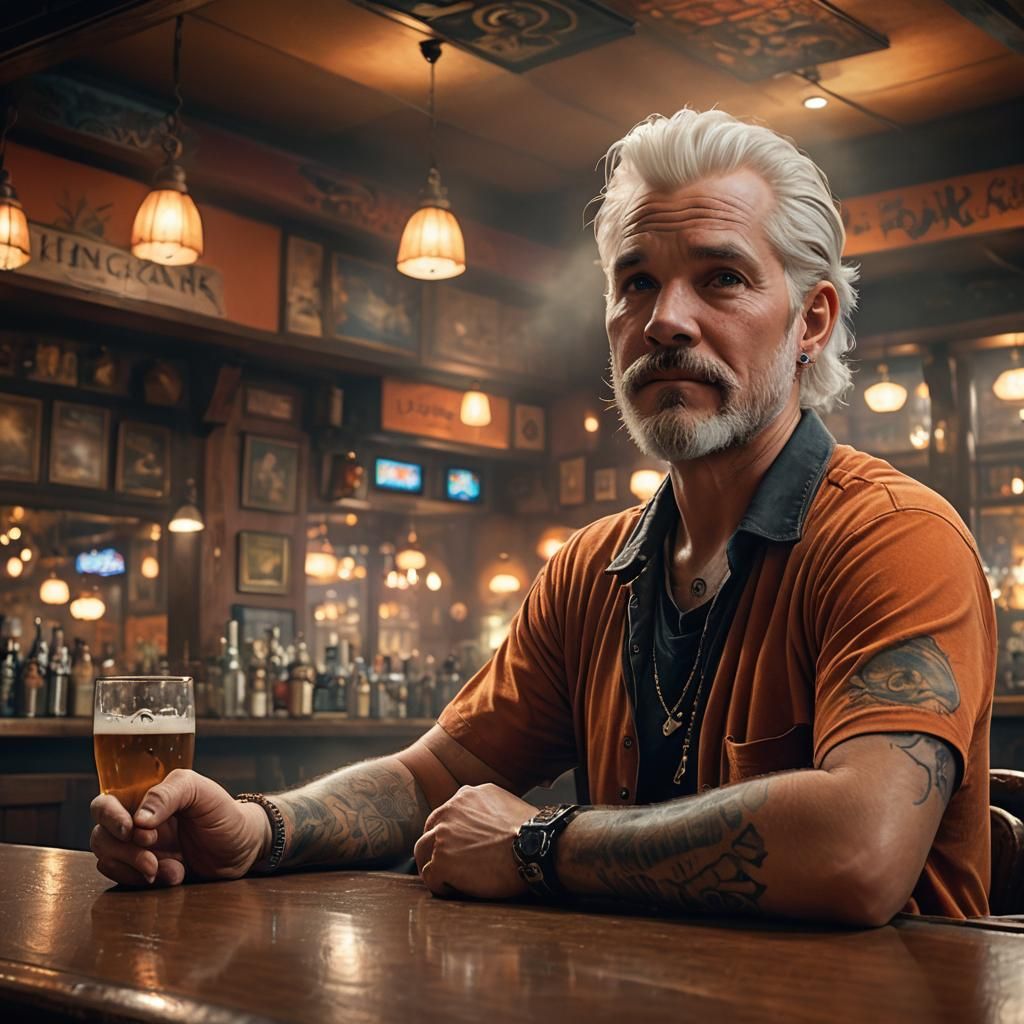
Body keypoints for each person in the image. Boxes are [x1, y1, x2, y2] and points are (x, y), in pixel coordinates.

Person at [90, 108, 995, 925]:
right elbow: (435, 777)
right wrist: (259, 829)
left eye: (721, 278)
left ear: (811, 320)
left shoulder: (892, 536)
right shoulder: (592, 568)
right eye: (636, 283)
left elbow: (859, 851)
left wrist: (538, 845)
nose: (665, 320)